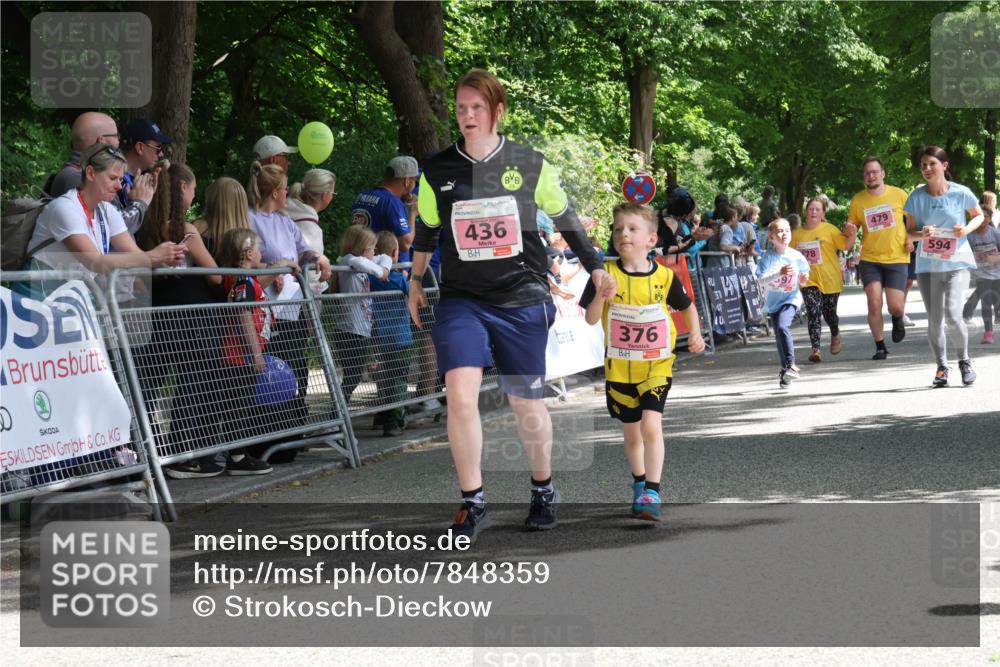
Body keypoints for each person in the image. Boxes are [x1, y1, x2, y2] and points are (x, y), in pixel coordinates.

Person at [408, 68, 613, 538]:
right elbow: (427, 231)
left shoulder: (529, 163)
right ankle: (472, 502)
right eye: (461, 108)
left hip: (521, 298)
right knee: (460, 395)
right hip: (463, 299)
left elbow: (567, 218)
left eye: (477, 107)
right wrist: (415, 280)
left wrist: (595, 264)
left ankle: (543, 487)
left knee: (526, 402)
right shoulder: (437, 170)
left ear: (497, 111)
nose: (467, 116)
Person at [580, 204, 704, 521]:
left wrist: (697, 334)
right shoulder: (604, 276)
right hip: (620, 371)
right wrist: (600, 295)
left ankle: (652, 491)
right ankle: (638, 483)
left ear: (651, 239)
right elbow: (592, 319)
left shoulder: (663, 277)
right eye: (619, 228)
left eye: (632, 229)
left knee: (651, 425)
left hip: (657, 367)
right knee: (632, 432)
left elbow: (687, 306)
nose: (624, 234)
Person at [135, 163, 228, 479]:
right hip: (191, 320)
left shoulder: (145, 227)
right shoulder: (184, 230)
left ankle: (143, 448)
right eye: (192, 187)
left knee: (150, 384)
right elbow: (215, 275)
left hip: (156, 316)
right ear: (184, 189)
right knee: (192, 383)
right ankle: (179, 452)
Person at [26, 143, 183, 295]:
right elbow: (95, 262)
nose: (119, 187)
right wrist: (154, 257)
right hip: (36, 295)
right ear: (90, 173)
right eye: (113, 178)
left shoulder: (106, 210)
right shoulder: (65, 208)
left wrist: (167, 256)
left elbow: (135, 254)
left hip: (64, 295)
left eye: (120, 179)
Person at [247, 161, 333, 433]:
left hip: (290, 308)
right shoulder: (250, 218)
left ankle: (293, 426)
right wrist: (273, 268)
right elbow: (244, 259)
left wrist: (319, 257)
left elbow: (303, 250)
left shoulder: (285, 221)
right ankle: (264, 431)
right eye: (284, 188)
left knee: (295, 366)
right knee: (270, 369)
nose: (288, 193)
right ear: (275, 192)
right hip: (265, 309)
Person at [904, 145, 985, 387]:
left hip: (957, 261)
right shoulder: (916, 198)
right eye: (923, 165)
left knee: (952, 313)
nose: (927, 169)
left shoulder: (961, 193)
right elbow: (909, 233)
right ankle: (941, 367)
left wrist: (966, 229)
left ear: (944, 166)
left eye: (932, 164)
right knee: (935, 319)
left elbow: (978, 215)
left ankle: (965, 361)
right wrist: (922, 233)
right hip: (928, 264)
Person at [215, 228, 279, 475]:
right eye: (259, 249)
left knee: (242, 403)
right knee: (238, 406)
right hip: (238, 356)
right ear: (249, 252)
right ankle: (237, 456)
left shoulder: (246, 278)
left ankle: (239, 453)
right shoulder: (243, 281)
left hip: (242, 355)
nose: (262, 253)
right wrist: (255, 353)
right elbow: (243, 315)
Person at [847, 156, 912, 360]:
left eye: (875, 172)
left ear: (883, 174)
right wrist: (849, 229)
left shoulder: (900, 195)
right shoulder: (858, 200)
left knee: (895, 306)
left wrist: (912, 240)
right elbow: (852, 226)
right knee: (874, 303)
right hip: (870, 259)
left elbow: (913, 222)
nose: (871, 175)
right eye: (867, 173)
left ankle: (898, 317)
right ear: (864, 177)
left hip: (896, 257)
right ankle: (880, 346)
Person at [792, 197, 858, 362]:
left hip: (830, 279)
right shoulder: (797, 234)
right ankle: (816, 349)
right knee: (813, 311)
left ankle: (835, 332)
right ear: (805, 212)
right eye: (810, 209)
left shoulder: (830, 229)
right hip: (809, 280)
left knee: (829, 314)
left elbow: (845, 246)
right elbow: (790, 254)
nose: (813, 212)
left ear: (822, 214)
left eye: (817, 209)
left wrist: (853, 234)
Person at [331, 225, 391, 403]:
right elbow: (367, 264)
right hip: (348, 331)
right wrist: (381, 271)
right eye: (372, 248)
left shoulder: (363, 262)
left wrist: (383, 269)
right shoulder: (348, 260)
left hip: (361, 331)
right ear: (364, 250)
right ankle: (337, 415)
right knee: (352, 376)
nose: (375, 253)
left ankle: (338, 415)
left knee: (354, 376)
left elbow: (386, 257)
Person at [756, 219, 811, 389]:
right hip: (773, 302)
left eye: (787, 230)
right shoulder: (767, 258)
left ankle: (790, 365)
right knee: (779, 333)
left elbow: (803, 278)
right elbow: (760, 281)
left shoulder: (796, 256)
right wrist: (779, 274)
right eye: (780, 231)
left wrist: (803, 279)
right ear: (771, 236)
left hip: (791, 298)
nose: (784, 234)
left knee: (781, 327)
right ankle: (785, 372)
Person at [369, 232, 415, 436]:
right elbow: (412, 294)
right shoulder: (398, 279)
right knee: (399, 379)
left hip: (380, 337)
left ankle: (382, 414)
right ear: (395, 253)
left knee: (385, 378)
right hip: (401, 337)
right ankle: (395, 420)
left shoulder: (371, 278)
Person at [351, 156, 419, 262]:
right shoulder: (391, 202)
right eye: (415, 180)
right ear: (407, 181)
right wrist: (413, 213)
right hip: (384, 271)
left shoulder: (362, 195)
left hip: (359, 264)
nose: (415, 184)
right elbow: (406, 244)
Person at [45, 112, 120, 198]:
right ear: (101, 141)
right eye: (116, 136)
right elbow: (106, 211)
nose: (118, 141)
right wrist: (136, 203)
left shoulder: (77, 174)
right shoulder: (80, 178)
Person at [118, 119, 170, 234]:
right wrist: (139, 203)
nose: (161, 154)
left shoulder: (143, 180)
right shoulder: (114, 181)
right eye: (158, 148)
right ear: (140, 147)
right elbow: (115, 228)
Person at [962, 191, 999, 322]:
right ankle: (969, 311)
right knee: (984, 289)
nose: (995, 203)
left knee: (986, 289)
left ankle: (968, 311)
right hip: (981, 268)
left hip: (993, 267)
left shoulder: (992, 227)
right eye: (994, 200)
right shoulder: (980, 220)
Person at [967, 205, 1000, 343]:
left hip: (998, 273)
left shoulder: (995, 234)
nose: (981, 220)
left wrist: (996, 258)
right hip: (981, 274)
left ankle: (968, 308)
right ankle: (988, 332)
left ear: (990, 218)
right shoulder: (970, 236)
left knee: (996, 302)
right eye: (976, 217)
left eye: (985, 217)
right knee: (986, 301)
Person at [284, 168, 336, 254]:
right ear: (325, 195)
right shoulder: (312, 230)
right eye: (333, 194)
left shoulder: (277, 210)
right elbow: (312, 263)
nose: (332, 197)